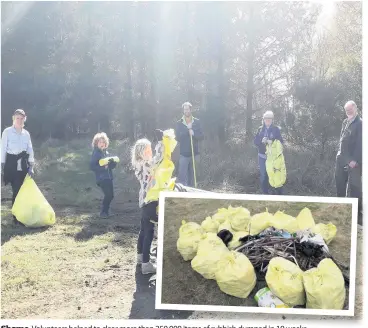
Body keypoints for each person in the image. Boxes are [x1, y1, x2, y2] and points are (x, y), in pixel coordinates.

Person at [131, 130, 165, 275]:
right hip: (151, 200)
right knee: (149, 232)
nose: (150, 151)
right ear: (141, 152)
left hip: (143, 201)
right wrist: (162, 144)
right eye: (148, 149)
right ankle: (146, 264)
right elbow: (159, 159)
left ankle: (140, 257)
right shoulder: (146, 164)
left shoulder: (138, 164)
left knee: (143, 230)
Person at [1, 109, 35, 224]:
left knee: (23, 190)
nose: (19, 120)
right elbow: (3, 148)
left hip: (24, 165)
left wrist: (31, 166)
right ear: (13, 119)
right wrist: (2, 165)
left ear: (24, 119)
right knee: (16, 190)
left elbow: (30, 149)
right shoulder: (7, 132)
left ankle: (23, 214)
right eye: (17, 118)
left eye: (21, 118)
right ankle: (16, 217)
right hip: (12, 165)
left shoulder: (26, 133)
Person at [335, 100, 362, 224]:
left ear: (355, 108)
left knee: (355, 188)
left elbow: (360, 144)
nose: (349, 112)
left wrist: (354, 160)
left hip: (353, 163)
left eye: (350, 109)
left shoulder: (360, 123)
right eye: (346, 110)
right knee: (340, 186)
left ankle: (357, 216)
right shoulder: (344, 122)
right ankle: (341, 212)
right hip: (341, 159)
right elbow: (342, 140)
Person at [254, 110, 284, 195]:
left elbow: (281, 142)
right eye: (266, 119)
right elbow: (255, 142)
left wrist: (273, 142)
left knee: (275, 175)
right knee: (264, 176)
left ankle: (277, 194)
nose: (268, 120)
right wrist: (261, 140)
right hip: (262, 157)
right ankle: (265, 194)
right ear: (263, 119)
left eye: (269, 119)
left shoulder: (276, 129)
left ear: (272, 120)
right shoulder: (260, 129)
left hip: (273, 158)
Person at [175, 102, 204, 187]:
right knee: (182, 177)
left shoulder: (197, 122)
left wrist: (193, 133)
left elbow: (202, 136)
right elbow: (178, 137)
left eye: (187, 109)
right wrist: (187, 131)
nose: (186, 111)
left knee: (193, 177)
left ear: (191, 110)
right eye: (184, 109)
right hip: (184, 154)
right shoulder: (179, 123)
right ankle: (183, 195)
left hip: (194, 154)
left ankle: (192, 194)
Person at [89, 132, 117, 219]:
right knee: (108, 195)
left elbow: (110, 167)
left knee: (111, 195)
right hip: (101, 178)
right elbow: (92, 166)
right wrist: (103, 168)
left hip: (109, 177)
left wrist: (113, 164)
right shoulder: (96, 153)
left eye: (104, 142)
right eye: (100, 142)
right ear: (96, 143)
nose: (102, 144)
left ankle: (106, 211)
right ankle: (103, 213)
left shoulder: (106, 152)